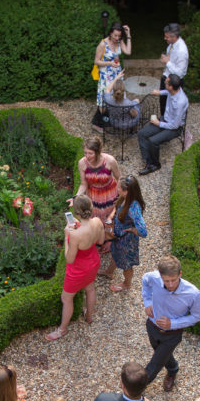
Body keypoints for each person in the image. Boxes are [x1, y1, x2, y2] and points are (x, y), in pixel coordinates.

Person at [140, 255, 200, 392]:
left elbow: (198, 315)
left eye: (173, 280)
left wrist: (173, 324)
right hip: (151, 326)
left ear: (180, 274)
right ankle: (173, 368)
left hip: (172, 335)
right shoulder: (154, 277)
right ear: (160, 275)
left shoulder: (193, 294)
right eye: (166, 281)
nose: (170, 285)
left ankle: (135, 388)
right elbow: (145, 280)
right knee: (161, 353)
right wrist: (147, 302)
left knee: (155, 364)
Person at [47, 195, 104, 341]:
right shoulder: (98, 222)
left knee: (66, 298)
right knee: (90, 288)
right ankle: (89, 316)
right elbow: (101, 240)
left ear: (77, 213)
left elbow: (69, 259)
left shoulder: (75, 235)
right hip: (93, 261)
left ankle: (62, 329)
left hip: (78, 270)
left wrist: (67, 236)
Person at [138, 73, 188, 176]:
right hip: (164, 120)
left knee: (153, 141)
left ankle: (155, 164)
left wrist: (158, 123)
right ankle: (148, 159)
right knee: (141, 133)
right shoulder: (173, 90)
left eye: (166, 82)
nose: (164, 81)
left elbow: (174, 125)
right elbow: (167, 92)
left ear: (171, 86)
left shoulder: (180, 102)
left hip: (174, 128)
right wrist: (159, 92)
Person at [104, 174, 147, 292]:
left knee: (126, 265)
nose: (117, 189)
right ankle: (109, 272)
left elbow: (143, 231)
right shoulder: (124, 198)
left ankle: (126, 284)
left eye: (118, 188)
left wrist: (132, 230)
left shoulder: (134, 207)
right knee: (114, 252)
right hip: (118, 238)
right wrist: (112, 216)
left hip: (126, 242)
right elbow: (116, 208)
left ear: (126, 191)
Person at [74, 136, 120, 228]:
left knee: (110, 222)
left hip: (110, 196)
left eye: (90, 153)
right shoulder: (82, 163)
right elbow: (83, 184)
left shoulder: (110, 161)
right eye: (85, 153)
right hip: (93, 197)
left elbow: (119, 178)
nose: (87, 156)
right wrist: (76, 197)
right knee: (96, 224)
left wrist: (120, 196)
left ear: (98, 152)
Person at [93, 22, 131, 123]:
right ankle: (99, 123)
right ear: (110, 33)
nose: (117, 38)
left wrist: (128, 35)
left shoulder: (119, 41)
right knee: (104, 100)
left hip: (117, 74)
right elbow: (96, 61)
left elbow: (128, 51)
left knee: (117, 97)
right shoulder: (103, 44)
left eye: (119, 36)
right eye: (115, 35)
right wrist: (109, 63)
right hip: (106, 75)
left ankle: (113, 119)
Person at [159, 23, 188, 116]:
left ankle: (168, 125)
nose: (165, 38)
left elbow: (180, 73)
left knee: (171, 107)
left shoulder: (181, 51)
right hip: (167, 77)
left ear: (174, 36)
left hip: (173, 82)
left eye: (167, 37)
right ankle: (163, 120)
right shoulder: (172, 44)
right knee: (163, 103)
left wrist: (167, 62)